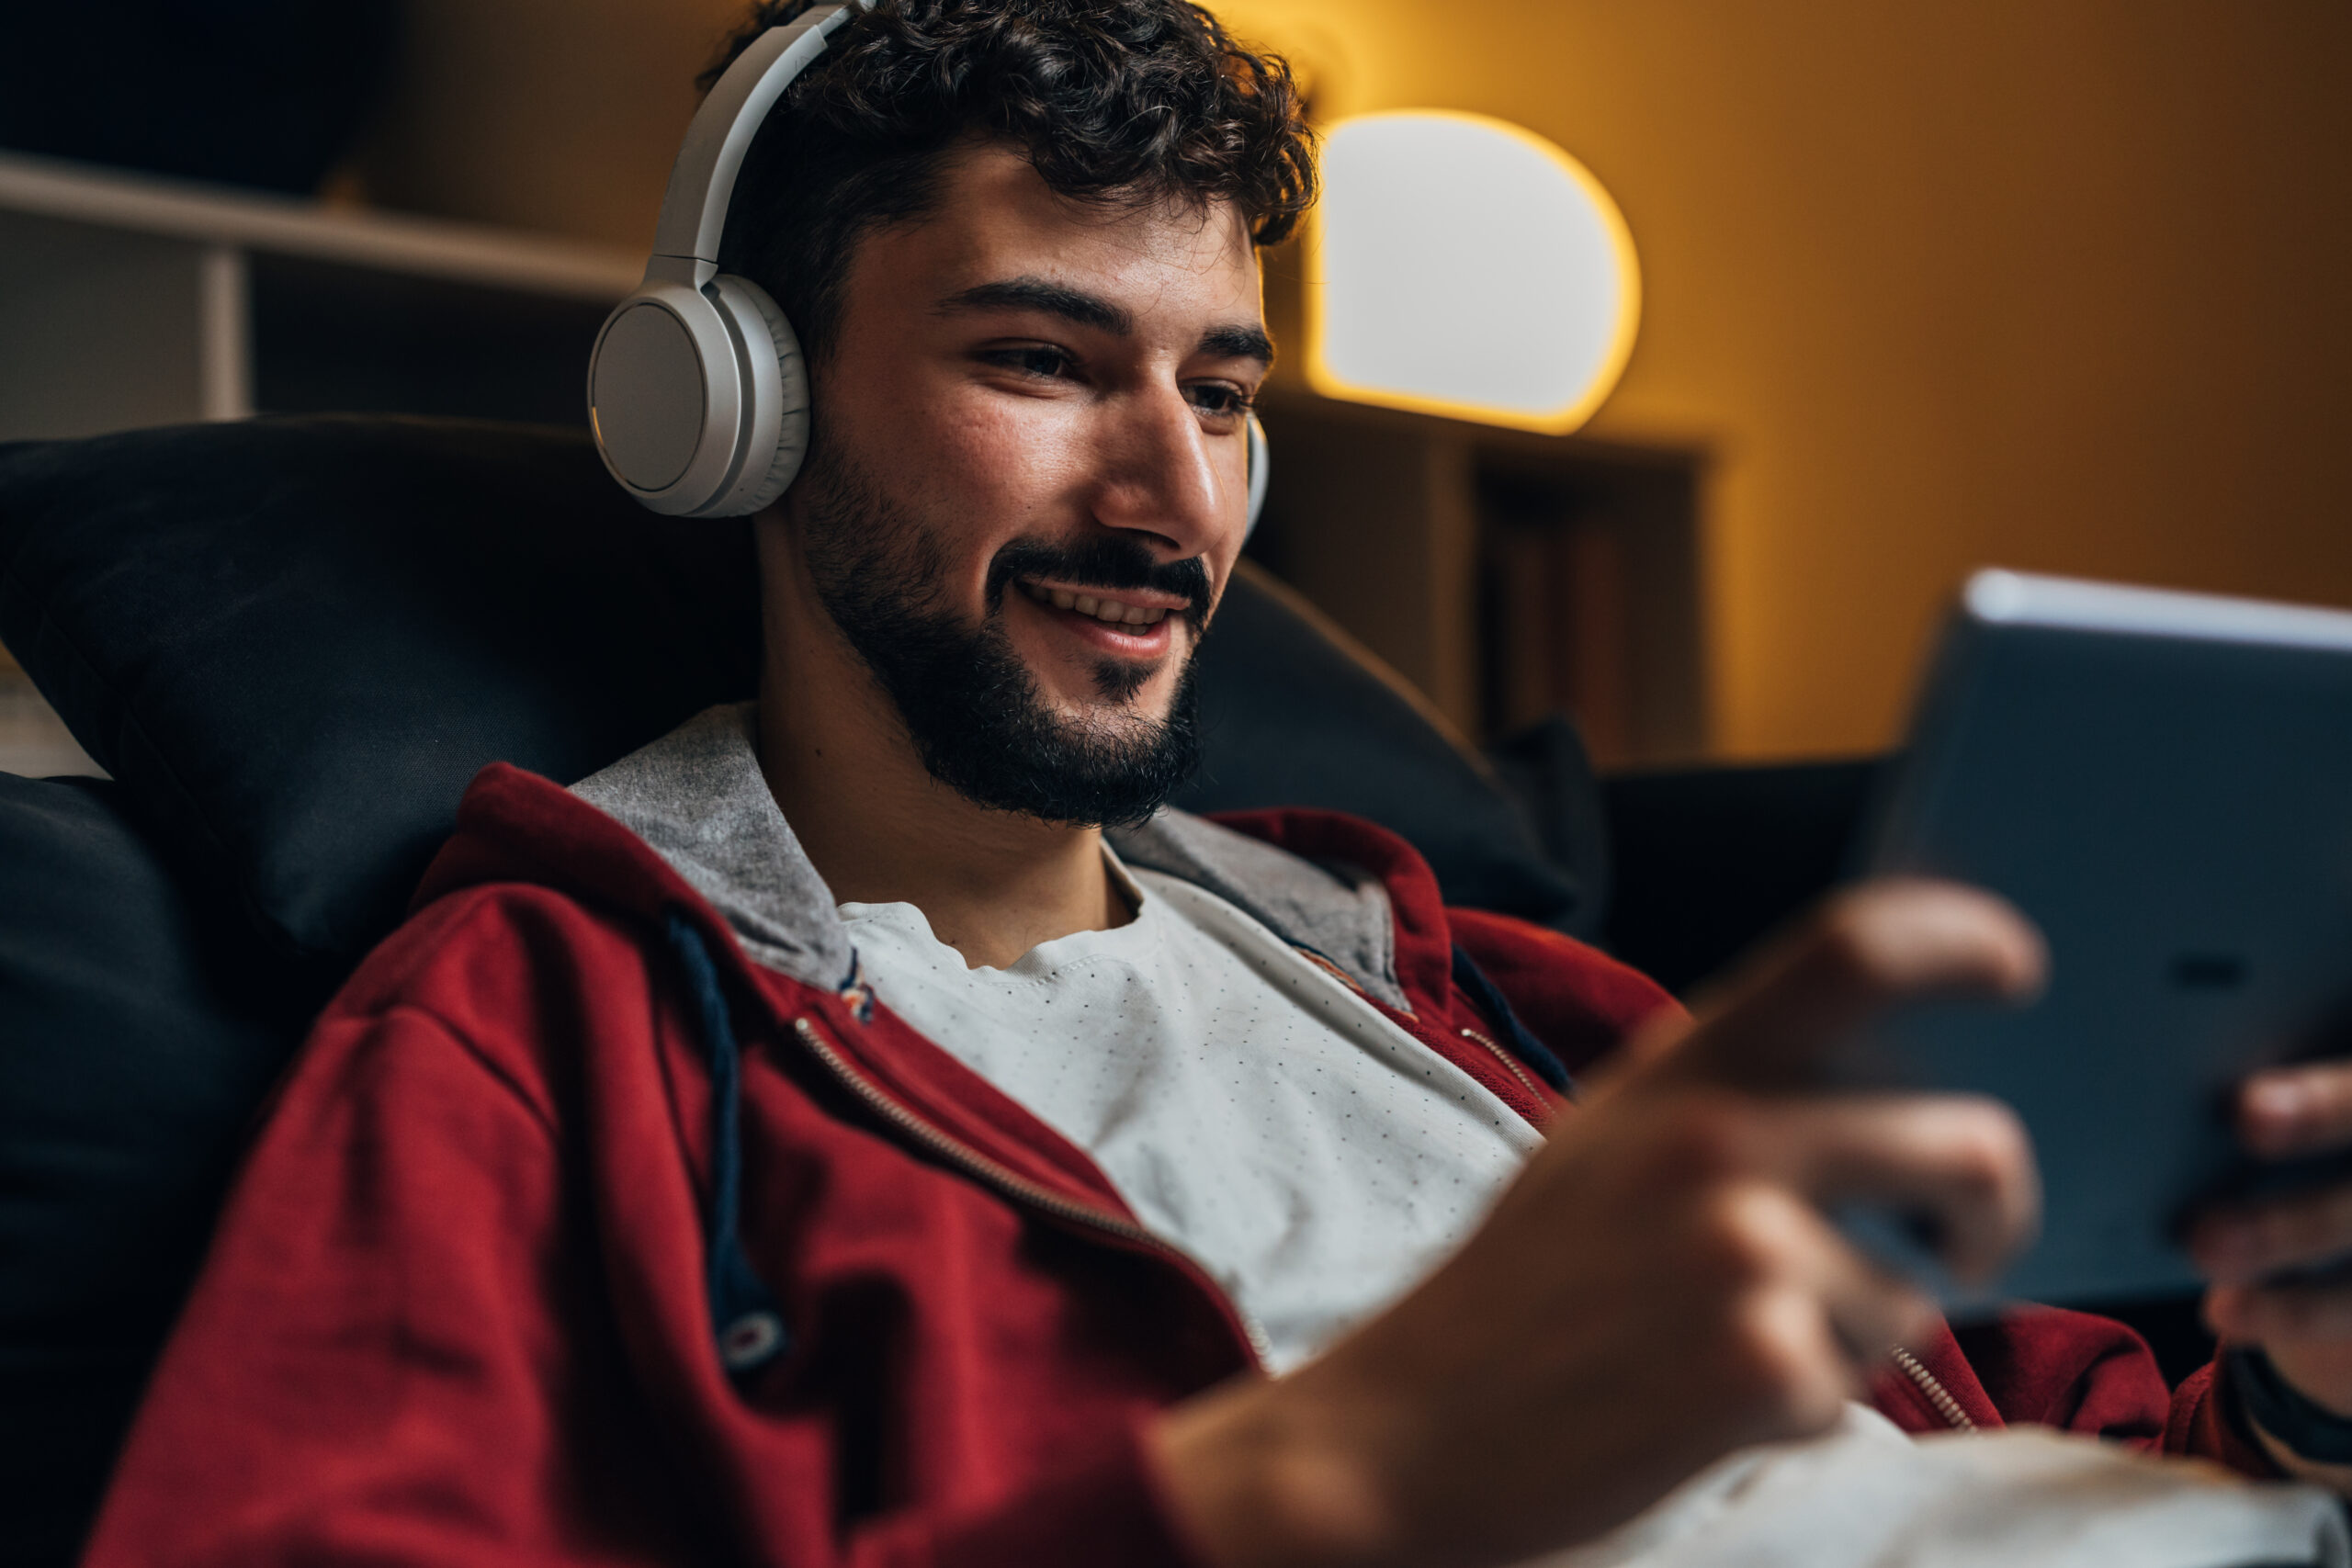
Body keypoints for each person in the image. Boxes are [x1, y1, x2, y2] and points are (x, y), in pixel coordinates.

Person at [79, 2, 2352, 1563]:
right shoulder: (547, 1029)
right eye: (1044, 361)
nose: (1177, 497)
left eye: (1227, 389)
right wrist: (1332, 1479)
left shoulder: (1481, 984)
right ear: (732, 406)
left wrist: (2293, 1391)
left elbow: (2041, 1446)